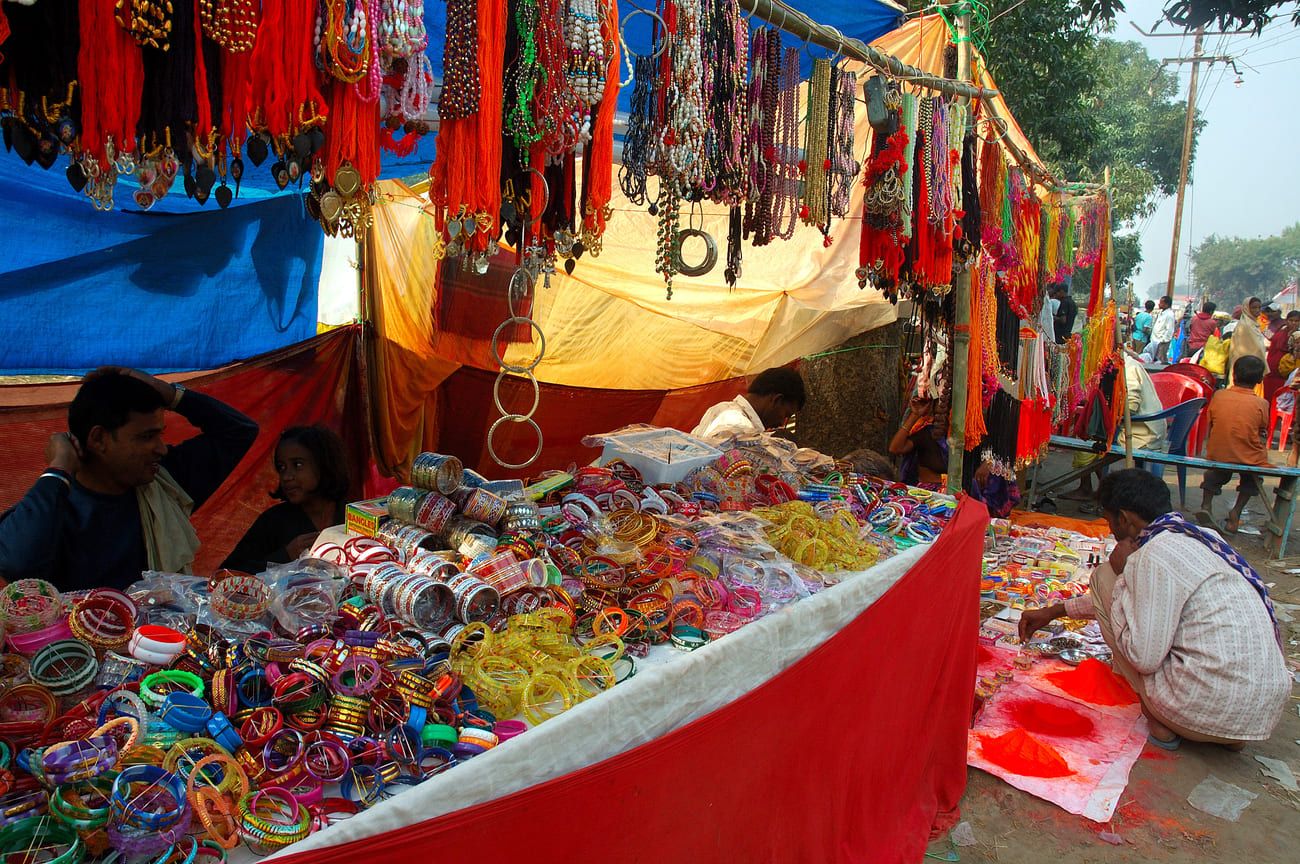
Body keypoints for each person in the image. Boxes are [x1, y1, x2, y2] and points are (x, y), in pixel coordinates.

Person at [1019, 469, 1290, 750]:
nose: (1110, 529)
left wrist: (1123, 573)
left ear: (1124, 518)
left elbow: (1142, 657)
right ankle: (1225, 733)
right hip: (1259, 715)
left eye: (1110, 520)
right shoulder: (1201, 536)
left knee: (1103, 576)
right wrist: (1055, 611)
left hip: (1200, 710)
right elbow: (1139, 600)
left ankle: (1163, 719)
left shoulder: (1151, 556)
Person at [0, 368, 258, 591]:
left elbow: (239, 432)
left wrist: (169, 394)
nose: (162, 448)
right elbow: (16, 564)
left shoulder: (164, 484)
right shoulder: (54, 506)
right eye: (146, 437)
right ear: (99, 439)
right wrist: (59, 467)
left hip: (160, 644)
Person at [223, 426, 350, 574]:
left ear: (324, 464)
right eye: (282, 467)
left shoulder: (354, 516)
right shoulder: (273, 522)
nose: (286, 476)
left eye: (297, 465)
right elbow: (228, 574)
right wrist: (285, 556)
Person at [1062, 350, 1168, 505]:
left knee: (1092, 439)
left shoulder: (1129, 369)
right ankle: (1096, 489)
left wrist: (1107, 412)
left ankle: (1099, 491)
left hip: (1143, 432)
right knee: (1092, 435)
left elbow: (1131, 405)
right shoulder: (1127, 365)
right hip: (1138, 427)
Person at [1199, 355, 1270, 534]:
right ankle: (1236, 512)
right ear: (1260, 380)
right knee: (1253, 478)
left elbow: (1212, 422)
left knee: (1214, 474)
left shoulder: (1219, 395)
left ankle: (1206, 504)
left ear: (1234, 375)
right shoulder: (1261, 403)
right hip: (1249, 457)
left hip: (1218, 452)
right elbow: (1263, 427)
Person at [691, 367, 806, 440]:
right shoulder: (740, 425)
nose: (781, 423)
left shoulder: (722, 408)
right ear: (776, 400)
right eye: (786, 415)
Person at [889, 395, 948, 487]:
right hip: (928, 493)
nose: (942, 415)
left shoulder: (971, 439)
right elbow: (896, 448)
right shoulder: (927, 434)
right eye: (938, 411)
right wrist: (915, 415)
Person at [1263, 310, 1300, 401]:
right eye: (1291, 321)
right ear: (1286, 320)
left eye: (1296, 321)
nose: (1293, 323)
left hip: (1286, 371)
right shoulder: (1279, 330)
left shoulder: (1283, 328)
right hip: (1275, 370)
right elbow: (1277, 343)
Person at [1150, 296, 1176, 363]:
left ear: (1166, 304)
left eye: (1161, 303)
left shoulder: (1169, 315)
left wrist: (1163, 340)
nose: (1159, 304)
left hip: (1162, 342)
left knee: (1161, 360)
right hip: (1155, 340)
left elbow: (1169, 329)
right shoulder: (1161, 313)